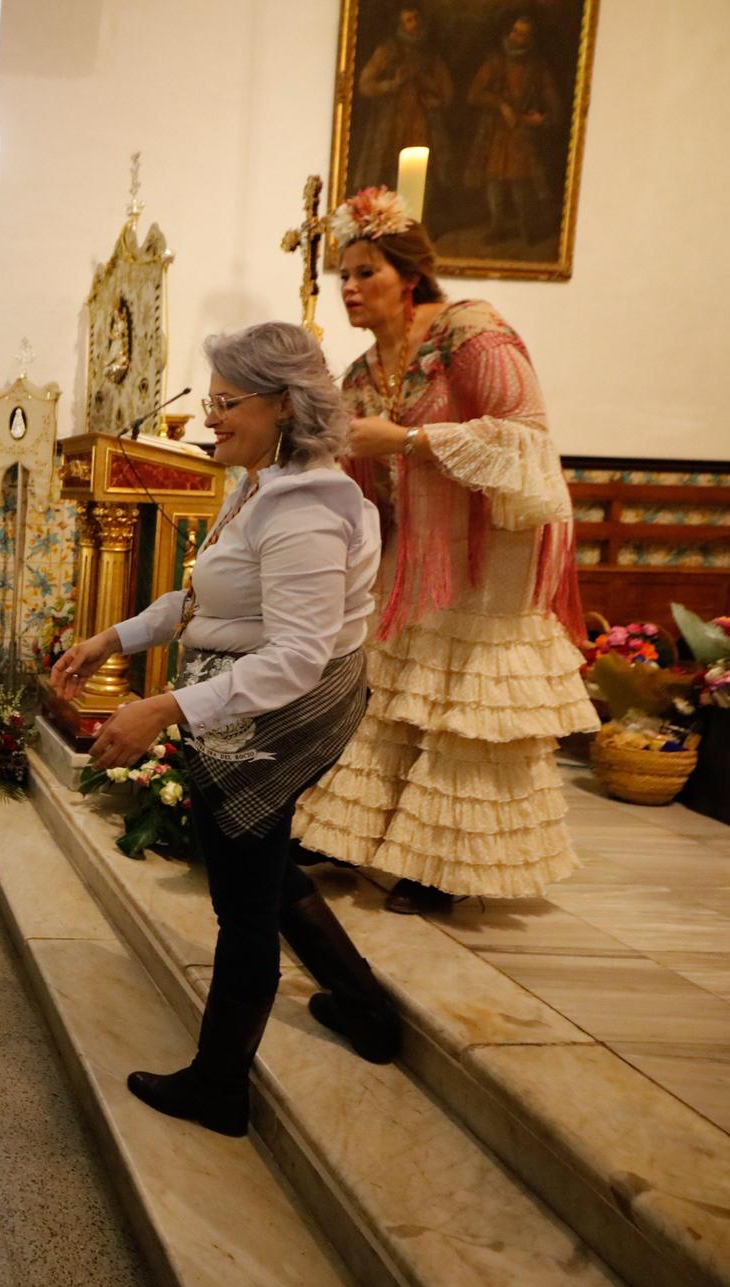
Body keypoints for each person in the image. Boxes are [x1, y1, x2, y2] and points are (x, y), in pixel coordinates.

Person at [53, 322, 399, 1138]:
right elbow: (210, 603)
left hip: (274, 718)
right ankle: (365, 1006)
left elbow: (297, 659)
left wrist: (162, 708)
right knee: (263, 871)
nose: (210, 418)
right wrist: (115, 637)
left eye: (225, 402)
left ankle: (220, 1086)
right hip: (246, 705)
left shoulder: (307, 509)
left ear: (284, 404)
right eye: (208, 401)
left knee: (243, 904)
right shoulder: (264, 483)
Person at [293, 187, 594, 914]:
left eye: (367, 272)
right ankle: (353, 835)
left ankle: (444, 865)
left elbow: (528, 442)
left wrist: (409, 440)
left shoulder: (472, 334)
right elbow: (349, 467)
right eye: (344, 276)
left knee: (465, 708)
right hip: (416, 546)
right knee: (391, 691)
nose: (351, 289)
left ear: (411, 275)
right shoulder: (363, 373)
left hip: (494, 547)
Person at [465, 16, 563, 246]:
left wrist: (542, 119)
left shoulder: (538, 68)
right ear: (509, 33)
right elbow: (474, 94)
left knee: (521, 180)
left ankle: (526, 226)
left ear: (531, 38)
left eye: (524, 34)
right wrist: (500, 104)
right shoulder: (495, 62)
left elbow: (554, 105)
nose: (518, 37)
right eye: (516, 32)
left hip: (523, 133)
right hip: (495, 132)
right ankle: (496, 225)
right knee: (494, 178)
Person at [349, 6, 452, 196]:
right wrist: (393, 84)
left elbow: (446, 92)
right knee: (390, 169)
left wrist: (433, 95)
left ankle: (421, 221)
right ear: (400, 24)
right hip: (392, 122)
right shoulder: (387, 51)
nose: (414, 24)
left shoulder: (431, 55)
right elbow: (365, 84)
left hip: (422, 121)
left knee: (424, 171)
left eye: (416, 18)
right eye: (408, 20)